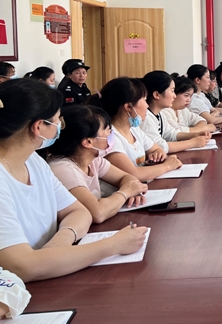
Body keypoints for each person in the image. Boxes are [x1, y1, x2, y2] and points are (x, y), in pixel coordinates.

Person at [0, 78, 147, 282]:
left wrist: (61, 240)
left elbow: (78, 212)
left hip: (51, 273)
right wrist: (113, 245)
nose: (61, 126)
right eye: (58, 120)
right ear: (39, 127)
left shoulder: (33, 161)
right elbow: (22, 266)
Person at [47, 105, 149, 223]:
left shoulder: (93, 160)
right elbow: (98, 213)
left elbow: (126, 177)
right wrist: (126, 193)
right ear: (88, 142)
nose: (111, 133)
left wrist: (133, 191)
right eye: (107, 130)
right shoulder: (62, 169)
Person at [87, 77, 182, 182]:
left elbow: (156, 149)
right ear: (128, 107)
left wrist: (158, 154)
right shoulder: (109, 137)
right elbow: (134, 174)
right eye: (145, 100)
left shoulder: (134, 129)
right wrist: (168, 165)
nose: (147, 105)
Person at [140, 71, 212, 153]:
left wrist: (195, 135)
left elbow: (171, 134)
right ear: (156, 95)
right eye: (172, 91)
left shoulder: (159, 114)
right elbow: (159, 147)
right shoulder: (146, 117)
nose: (174, 95)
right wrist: (192, 143)